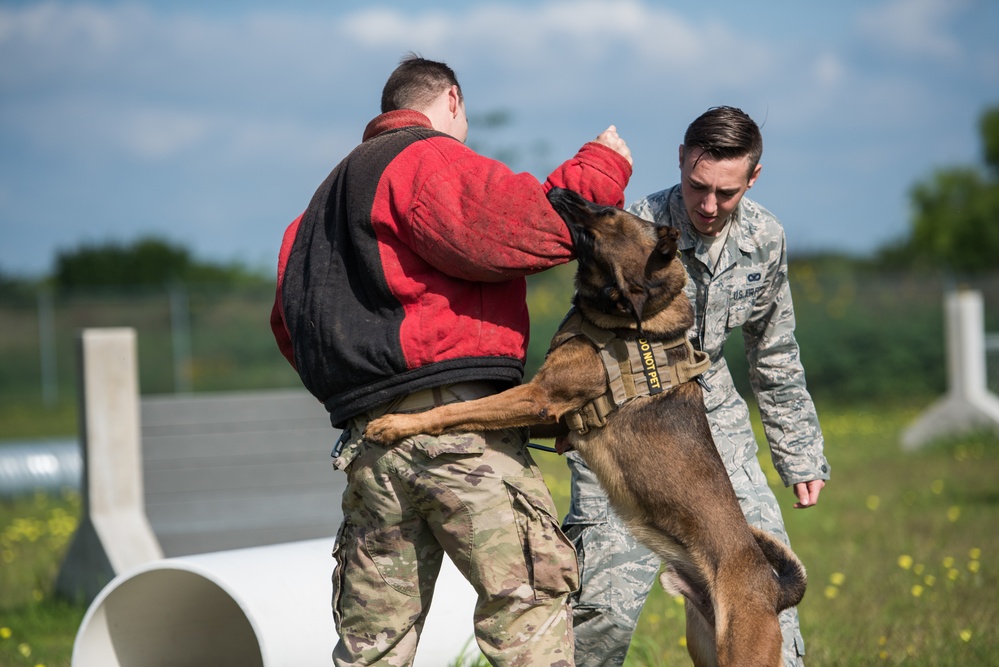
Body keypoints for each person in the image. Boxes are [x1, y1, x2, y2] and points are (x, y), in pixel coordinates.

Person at [269, 54, 633, 666]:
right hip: (458, 433)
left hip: (370, 446)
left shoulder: (315, 210)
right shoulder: (424, 158)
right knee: (529, 612)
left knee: (372, 646)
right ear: (453, 101)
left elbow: (290, 324)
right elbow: (522, 227)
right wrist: (600, 167)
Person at [563, 106, 830, 667]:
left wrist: (799, 454)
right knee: (601, 612)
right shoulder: (632, 227)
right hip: (629, 425)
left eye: (726, 193)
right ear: (681, 160)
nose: (708, 206)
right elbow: (582, 333)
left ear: (753, 177)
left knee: (767, 599)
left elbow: (774, 352)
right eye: (697, 186)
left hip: (716, 423)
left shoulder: (765, 237)